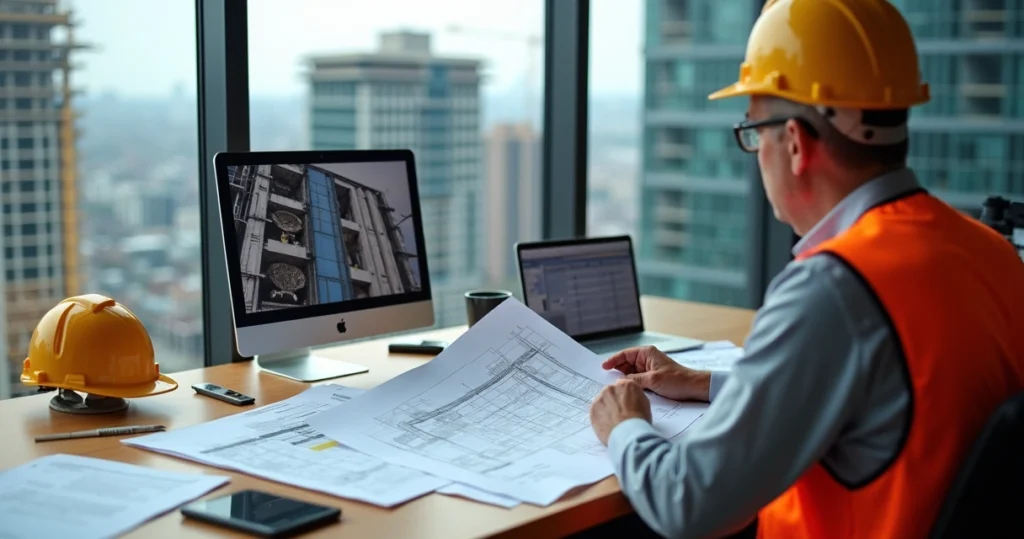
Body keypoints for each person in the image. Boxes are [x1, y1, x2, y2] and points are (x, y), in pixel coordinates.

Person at [586, 0, 1024, 538]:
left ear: (793, 142)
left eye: (753, 130)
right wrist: (709, 383)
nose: (756, 150)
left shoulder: (836, 287)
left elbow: (689, 503)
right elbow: (885, 404)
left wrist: (624, 425)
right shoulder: (991, 252)